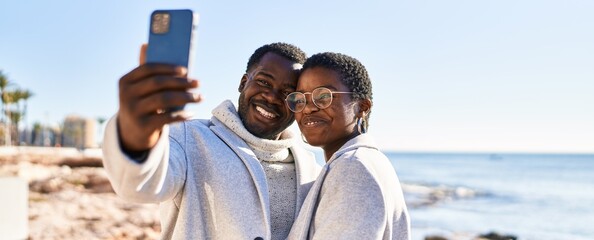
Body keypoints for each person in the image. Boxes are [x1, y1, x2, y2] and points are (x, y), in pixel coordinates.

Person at [102, 42, 322, 240]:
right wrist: (136, 134)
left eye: (288, 93)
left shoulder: (312, 171)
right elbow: (140, 186)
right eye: (264, 82)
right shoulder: (189, 138)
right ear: (243, 82)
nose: (272, 97)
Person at [285, 52, 411, 239]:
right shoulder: (366, 161)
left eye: (323, 97)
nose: (309, 108)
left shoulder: (354, 167)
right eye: (300, 99)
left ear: (362, 107)